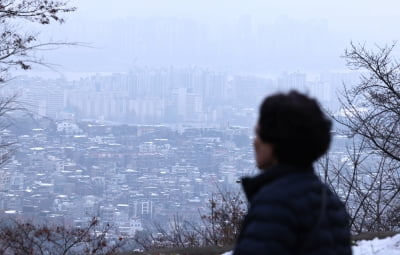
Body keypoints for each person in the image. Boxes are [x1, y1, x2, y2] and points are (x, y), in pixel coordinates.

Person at [233, 91, 352, 255]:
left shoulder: (274, 204)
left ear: (276, 142)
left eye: (260, 134)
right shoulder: (330, 201)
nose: (255, 142)